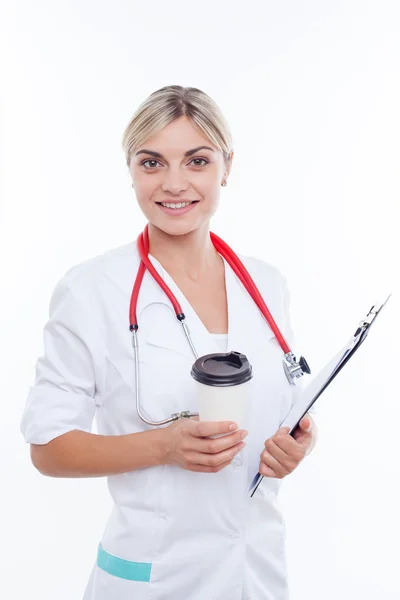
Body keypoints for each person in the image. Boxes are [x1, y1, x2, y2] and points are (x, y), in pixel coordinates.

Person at [21, 85, 317, 600]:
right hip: (152, 576)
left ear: (227, 166)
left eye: (197, 161)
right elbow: (48, 448)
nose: (174, 183)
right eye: (152, 162)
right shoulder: (92, 289)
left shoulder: (267, 285)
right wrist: (163, 446)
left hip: (255, 571)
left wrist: (297, 444)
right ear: (131, 170)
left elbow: (286, 412)